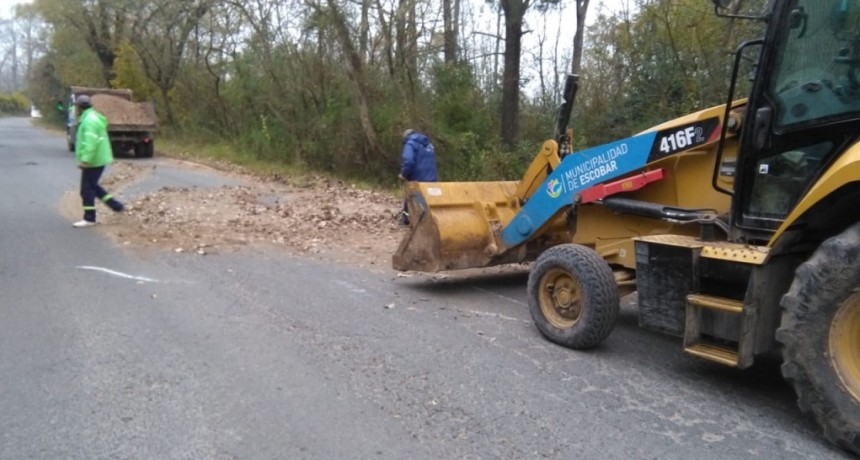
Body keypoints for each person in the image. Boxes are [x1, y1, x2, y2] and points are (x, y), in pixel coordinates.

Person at [72, 95, 124, 228]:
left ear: (79, 107)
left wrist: (85, 160)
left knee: (86, 189)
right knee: (93, 186)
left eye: (75, 106)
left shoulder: (89, 121)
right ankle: (116, 206)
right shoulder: (93, 117)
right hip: (98, 159)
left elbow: (90, 143)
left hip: (94, 160)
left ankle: (90, 218)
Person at [398, 129, 438, 225]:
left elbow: (408, 161)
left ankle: (408, 220)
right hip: (432, 178)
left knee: (415, 197)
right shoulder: (429, 145)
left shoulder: (410, 143)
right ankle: (432, 220)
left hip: (418, 178)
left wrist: (404, 174)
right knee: (429, 200)